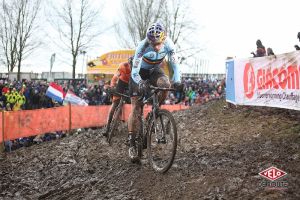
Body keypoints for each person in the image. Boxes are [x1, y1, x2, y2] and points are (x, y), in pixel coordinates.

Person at [127, 22, 182, 160]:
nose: (157, 47)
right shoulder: (142, 46)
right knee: (136, 108)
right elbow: (134, 71)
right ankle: (132, 142)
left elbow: (175, 65)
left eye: (159, 43)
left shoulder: (169, 44)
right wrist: (140, 83)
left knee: (165, 83)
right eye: (153, 44)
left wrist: (178, 81)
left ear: (164, 39)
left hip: (154, 70)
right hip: (139, 73)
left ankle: (155, 112)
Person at [103, 56, 133, 137]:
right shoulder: (123, 66)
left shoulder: (137, 68)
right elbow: (115, 77)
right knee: (115, 104)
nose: (132, 66)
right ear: (128, 63)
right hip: (121, 83)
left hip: (130, 84)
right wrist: (112, 86)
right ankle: (107, 126)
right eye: (131, 64)